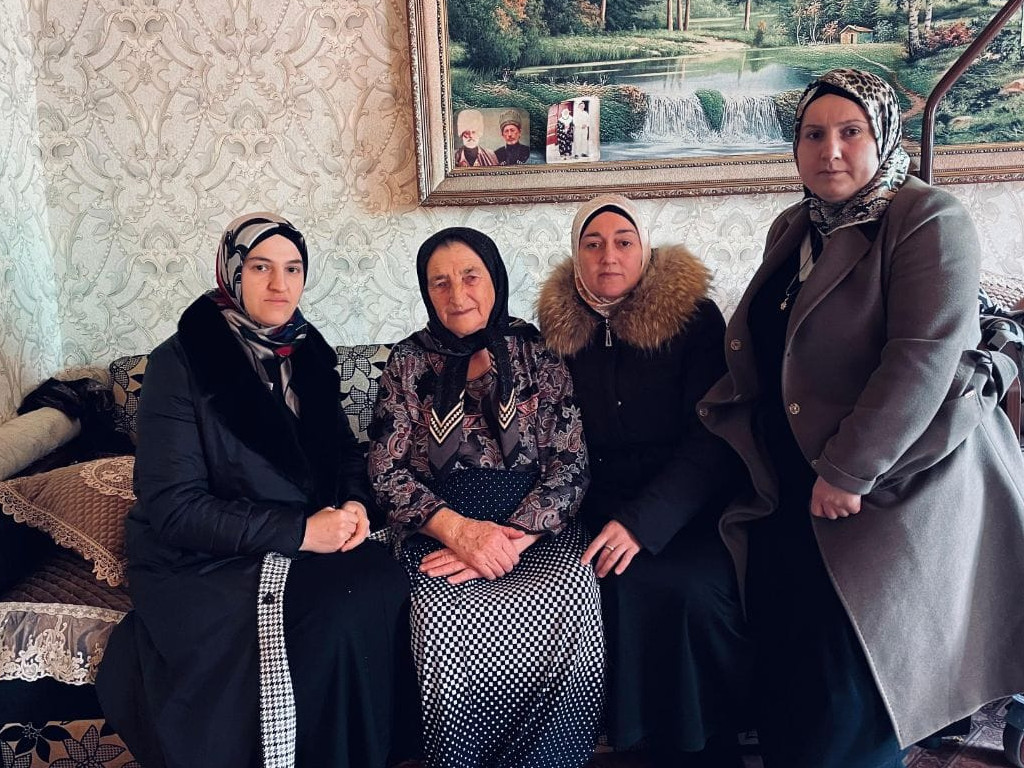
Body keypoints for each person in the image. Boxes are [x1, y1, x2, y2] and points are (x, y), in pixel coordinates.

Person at [698, 68, 1024, 768]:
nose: (831, 150)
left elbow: (924, 357)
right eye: (813, 135)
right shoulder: (796, 227)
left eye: (851, 132)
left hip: (885, 487)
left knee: (849, 696)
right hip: (795, 488)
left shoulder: (928, 217)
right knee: (790, 683)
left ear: (884, 136)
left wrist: (848, 470)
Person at [96, 213, 414, 768]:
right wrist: (302, 532)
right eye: (261, 267)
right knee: (333, 611)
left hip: (305, 532)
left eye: (293, 269)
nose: (279, 285)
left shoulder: (308, 351)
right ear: (232, 273)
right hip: (209, 557)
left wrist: (356, 503)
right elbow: (175, 508)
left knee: (379, 580)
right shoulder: (180, 363)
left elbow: (343, 451)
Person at [369, 227, 604, 768]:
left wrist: (510, 539)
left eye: (470, 276)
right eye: (440, 282)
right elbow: (385, 472)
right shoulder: (407, 361)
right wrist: (460, 532)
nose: (458, 295)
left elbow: (571, 463)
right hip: (438, 527)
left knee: (570, 597)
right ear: (426, 291)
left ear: (495, 279)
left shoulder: (538, 351)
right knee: (442, 619)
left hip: (533, 529)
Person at [538, 194, 750, 767]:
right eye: (593, 244)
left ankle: (704, 750)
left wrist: (642, 522)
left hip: (689, 502)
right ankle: (633, 747)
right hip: (592, 502)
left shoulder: (694, 319)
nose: (609, 256)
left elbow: (713, 435)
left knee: (689, 591)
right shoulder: (554, 333)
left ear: (645, 250)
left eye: (623, 241)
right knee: (602, 586)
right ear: (576, 257)